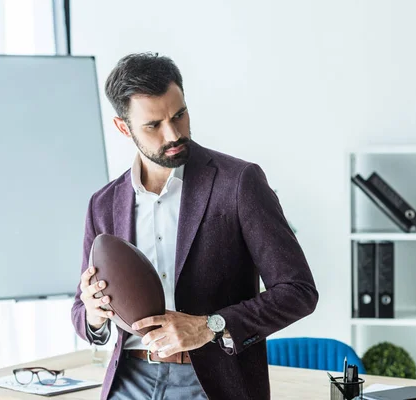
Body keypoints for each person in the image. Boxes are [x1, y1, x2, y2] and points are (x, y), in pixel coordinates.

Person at [71, 52, 318, 400]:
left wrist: (208, 326)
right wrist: (94, 315)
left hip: (212, 383)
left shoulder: (239, 183)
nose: (173, 133)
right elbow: (82, 312)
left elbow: (298, 291)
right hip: (128, 382)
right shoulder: (103, 203)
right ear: (123, 128)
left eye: (179, 115)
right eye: (153, 125)